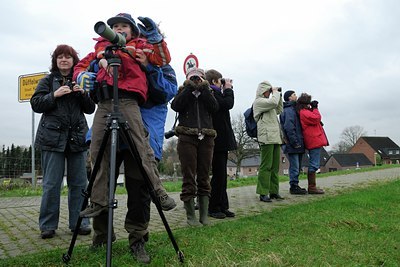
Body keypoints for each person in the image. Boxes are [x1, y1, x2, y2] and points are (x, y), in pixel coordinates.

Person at [74, 13, 176, 219]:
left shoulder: (140, 47)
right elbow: (81, 66)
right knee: (96, 151)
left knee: (141, 151)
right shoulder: (101, 49)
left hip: (131, 104)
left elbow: (163, 63)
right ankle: (99, 202)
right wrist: (83, 74)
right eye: (115, 26)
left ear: (135, 32)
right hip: (105, 104)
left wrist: (153, 45)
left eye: (124, 26)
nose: (119, 30)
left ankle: (158, 192)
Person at [30, 44, 95, 239]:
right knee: (51, 184)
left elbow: (90, 108)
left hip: (76, 139)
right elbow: (36, 103)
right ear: (55, 61)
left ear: (74, 60)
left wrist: (83, 93)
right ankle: (48, 225)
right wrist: (54, 95)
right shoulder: (47, 81)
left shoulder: (80, 79)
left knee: (79, 184)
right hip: (52, 139)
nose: (64, 60)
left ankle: (80, 223)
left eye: (68, 57)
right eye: (60, 57)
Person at [171, 67, 219, 226]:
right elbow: (176, 106)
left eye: (199, 78)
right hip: (187, 138)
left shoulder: (208, 93)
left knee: (204, 176)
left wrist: (205, 88)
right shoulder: (183, 92)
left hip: (206, 138)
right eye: (193, 78)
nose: (196, 81)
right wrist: (188, 88)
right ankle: (191, 217)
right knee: (189, 176)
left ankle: (204, 216)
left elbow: (214, 108)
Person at [205, 69, 237, 219]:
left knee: (222, 176)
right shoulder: (211, 93)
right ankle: (213, 207)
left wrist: (225, 90)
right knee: (218, 175)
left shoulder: (216, 93)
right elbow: (227, 103)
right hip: (216, 140)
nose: (222, 83)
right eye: (220, 81)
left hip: (221, 139)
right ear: (213, 82)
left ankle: (223, 206)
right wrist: (228, 89)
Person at [252, 81, 284, 202]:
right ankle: (263, 192)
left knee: (275, 166)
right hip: (266, 138)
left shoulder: (269, 104)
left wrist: (279, 95)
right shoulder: (259, 102)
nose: (269, 93)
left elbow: (279, 108)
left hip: (275, 137)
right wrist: (275, 93)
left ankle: (274, 191)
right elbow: (273, 102)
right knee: (266, 166)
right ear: (262, 91)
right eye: (268, 91)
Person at [297, 93, 328, 194]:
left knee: (314, 163)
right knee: (314, 164)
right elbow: (316, 118)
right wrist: (315, 108)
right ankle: (312, 187)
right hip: (313, 140)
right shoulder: (304, 112)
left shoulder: (304, 111)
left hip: (314, 139)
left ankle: (312, 187)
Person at [280, 90, 308, 195]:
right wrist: (294, 142)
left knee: (297, 165)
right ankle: (294, 186)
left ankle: (296, 185)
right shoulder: (288, 111)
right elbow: (289, 127)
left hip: (297, 142)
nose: (296, 96)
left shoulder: (294, 109)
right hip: (293, 143)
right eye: (294, 95)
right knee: (295, 166)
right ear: (289, 98)